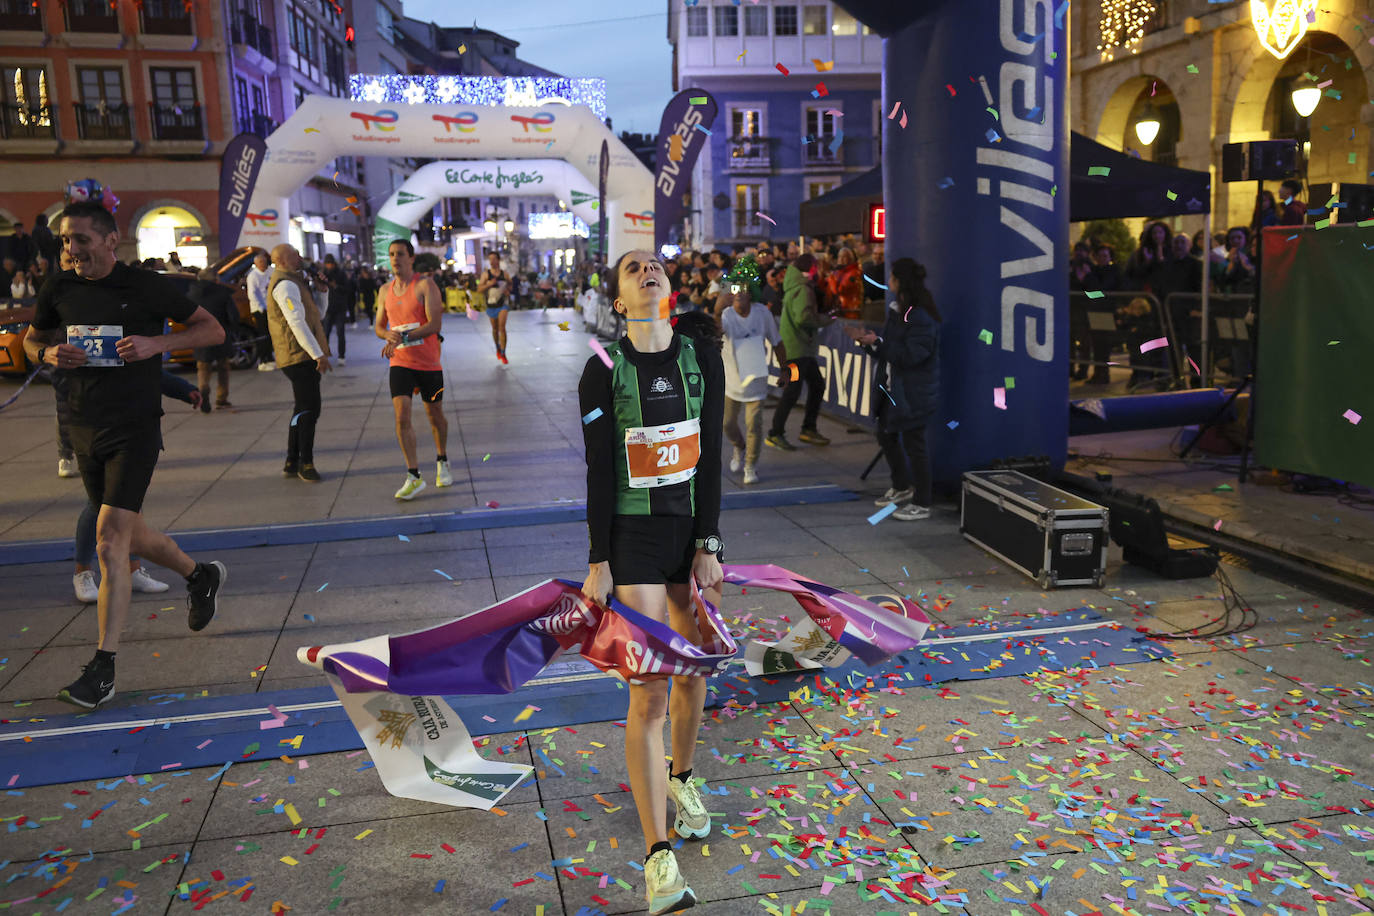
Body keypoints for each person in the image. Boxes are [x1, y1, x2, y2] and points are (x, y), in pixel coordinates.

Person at [23, 200, 228, 709]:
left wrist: (157, 345)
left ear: (111, 240)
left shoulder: (144, 285)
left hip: (134, 427)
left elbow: (212, 330)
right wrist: (48, 354)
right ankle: (200, 575)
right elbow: (31, 340)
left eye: (81, 240)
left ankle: (103, 667)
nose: (71, 250)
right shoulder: (59, 287)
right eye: (66, 241)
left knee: (110, 541)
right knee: (127, 530)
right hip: (83, 424)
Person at [578, 249, 724, 916]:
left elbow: (713, 453)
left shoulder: (701, 357)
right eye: (631, 268)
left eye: (655, 264)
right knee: (650, 690)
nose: (647, 269)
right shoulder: (602, 370)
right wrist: (598, 560)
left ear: (669, 287)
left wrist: (710, 543)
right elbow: (598, 470)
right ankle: (657, 858)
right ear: (619, 300)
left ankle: (682, 779)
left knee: (693, 673)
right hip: (633, 541)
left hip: (687, 536)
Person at [73, 369, 204, 603]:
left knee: (130, 505)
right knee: (99, 506)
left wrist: (184, 389)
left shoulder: (126, 340)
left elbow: (148, 371)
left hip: (131, 433)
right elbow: (67, 387)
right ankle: (82, 572)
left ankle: (132, 569)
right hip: (94, 432)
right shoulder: (78, 343)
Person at [846, 257, 940, 521]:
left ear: (901, 281)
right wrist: (870, 343)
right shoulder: (898, 311)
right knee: (886, 436)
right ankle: (901, 487)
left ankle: (922, 502)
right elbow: (890, 348)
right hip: (892, 389)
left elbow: (912, 355)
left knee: (915, 445)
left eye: (892, 278)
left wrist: (880, 343)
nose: (888, 282)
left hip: (912, 393)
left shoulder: (920, 316)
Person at [375, 239, 451, 501]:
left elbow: (435, 325)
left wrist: (403, 337)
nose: (395, 259)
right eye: (392, 254)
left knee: (435, 414)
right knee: (402, 416)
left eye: (400, 254)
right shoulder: (385, 290)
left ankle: (442, 459)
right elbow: (379, 327)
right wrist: (389, 337)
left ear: (411, 258)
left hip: (429, 362)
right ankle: (414, 475)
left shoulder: (425, 285)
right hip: (400, 362)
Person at [266, 243, 332, 481]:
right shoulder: (285, 285)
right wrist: (317, 354)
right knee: (309, 410)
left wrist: (323, 291)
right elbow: (296, 322)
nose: (300, 258)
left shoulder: (296, 281)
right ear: (281, 261)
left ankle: (292, 460)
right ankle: (306, 462)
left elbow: (317, 315)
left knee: (301, 408)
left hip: (299, 355)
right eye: (294, 255)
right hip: (298, 356)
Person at [714, 260, 779, 486]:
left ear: (751, 293)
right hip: (731, 380)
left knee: (755, 425)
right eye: (734, 289)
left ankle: (751, 465)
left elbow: (777, 343)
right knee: (727, 424)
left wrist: (789, 371)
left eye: (744, 289)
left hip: (757, 380)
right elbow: (715, 336)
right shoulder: (726, 315)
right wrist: (716, 310)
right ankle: (739, 446)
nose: (739, 293)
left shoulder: (763, 314)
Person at [766, 253, 832, 451]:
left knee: (816, 386)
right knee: (793, 391)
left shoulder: (794, 286)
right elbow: (804, 317)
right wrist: (824, 320)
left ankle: (808, 428)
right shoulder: (803, 289)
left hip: (799, 349)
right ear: (810, 268)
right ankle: (776, 433)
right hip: (798, 350)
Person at [188, 267, 236, 410]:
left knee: (203, 368)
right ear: (215, 279)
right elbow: (233, 316)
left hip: (200, 336)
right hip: (220, 334)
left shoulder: (191, 294)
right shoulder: (223, 293)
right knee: (223, 368)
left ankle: (203, 389)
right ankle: (221, 398)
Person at [476, 251, 512, 364]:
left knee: (502, 327)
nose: (492, 261)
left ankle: (503, 352)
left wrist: (508, 290)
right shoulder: (486, 274)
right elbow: (479, 290)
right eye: (490, 259)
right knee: (495, 329)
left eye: (494, 259)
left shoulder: (504, 274)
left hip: (503, 304)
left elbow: (510, 284)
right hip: (491, 304)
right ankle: (497, 347)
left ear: (498, 260)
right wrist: (489, 284)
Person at [247, 249, 275, 371]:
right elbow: (252, 294)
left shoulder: (270, 272)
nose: (264, 264)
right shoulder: (253, 276)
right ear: (257, 264)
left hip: (270, 307)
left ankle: (270, 357)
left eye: (265, 262)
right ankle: (264, 359)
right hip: (260, 309)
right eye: (261, 262)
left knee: (270, 334)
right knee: (263, 334)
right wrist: (261, 307)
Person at [319, 254, 348, 364]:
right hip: (327, 308)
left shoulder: (341, 273)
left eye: (330, 263)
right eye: (327, 264)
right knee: (326, 332)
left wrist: (336, 286)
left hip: (340, 307)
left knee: (340, 332)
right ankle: (325, 354)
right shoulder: (323, 274)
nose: (329, 266)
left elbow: (347, 289)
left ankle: (342, 356)